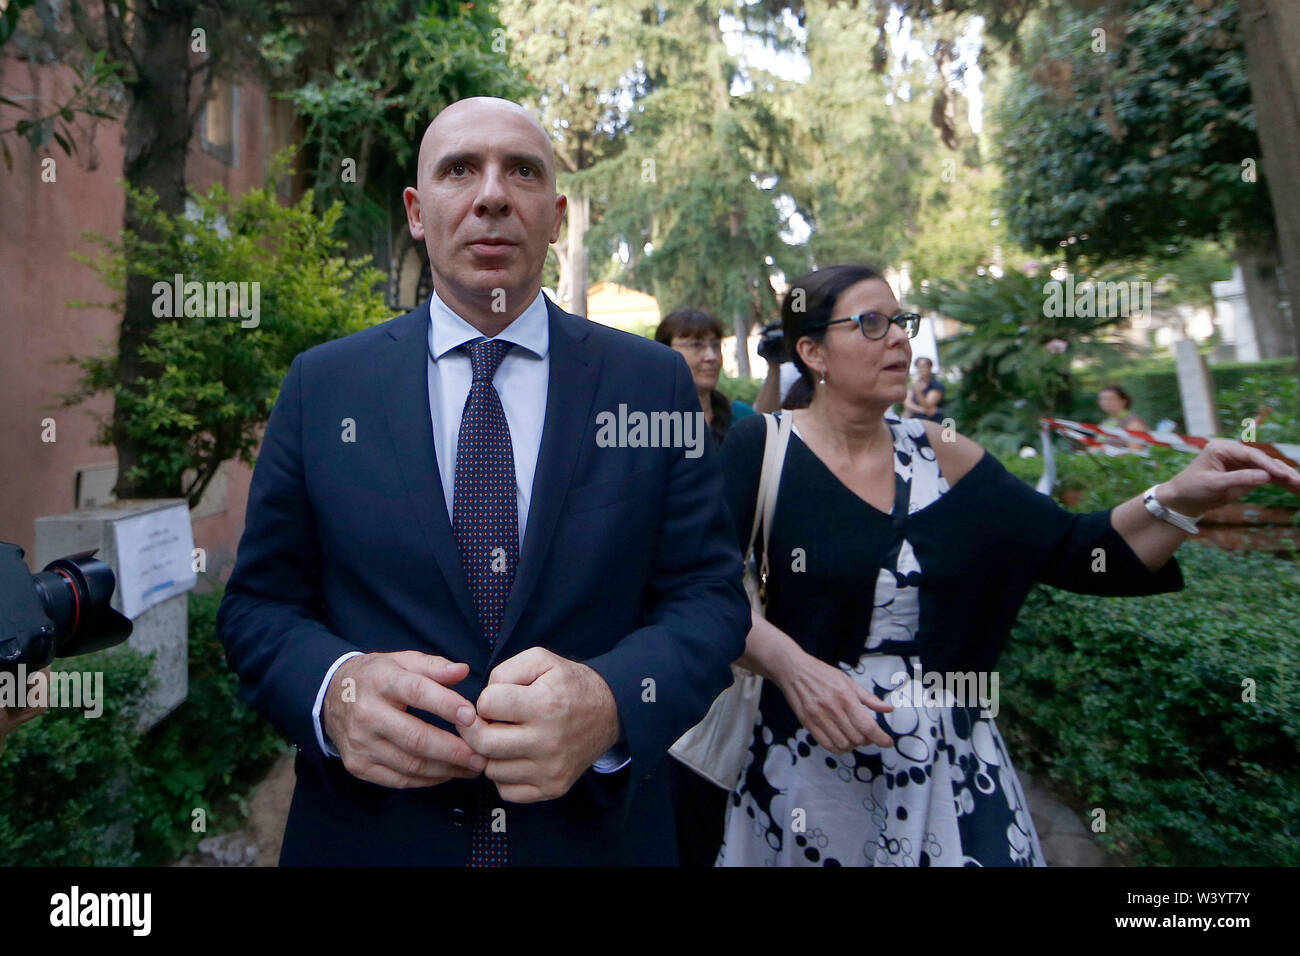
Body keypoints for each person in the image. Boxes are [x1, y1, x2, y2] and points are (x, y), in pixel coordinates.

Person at [216, 97, 750, 866]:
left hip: (596, 841)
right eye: (460, 169)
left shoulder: (650, 384)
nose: (492, 194)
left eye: (522, 171)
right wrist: (333, 690)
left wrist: (608, 704)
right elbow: (259, 604)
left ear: (556, 214)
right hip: (369, 841)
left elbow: (708, 600)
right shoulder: (324, 387)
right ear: (417, 212)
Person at [714, 264, 1300, 866]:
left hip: (954, 768)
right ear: (812, 351)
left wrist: (1180, 497)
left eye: (901, 321)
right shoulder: (763, 446)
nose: (897, 338)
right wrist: (794, 669)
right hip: (810, 768)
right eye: (870, 324)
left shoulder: (941, 449)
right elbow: (702, 589)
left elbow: (1075, 550)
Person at [654, 307, 754, 449]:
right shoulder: (646, 425)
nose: (711, 356)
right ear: (664, 353)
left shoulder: (742, 417)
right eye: (696, 345)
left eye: (715, 345)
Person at [1097, 384, 1149, 453]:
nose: (1105, 403)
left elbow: (1135, 451)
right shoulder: (1107, 421)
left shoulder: (1133, 422)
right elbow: (1098, 444)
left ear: (1123, 401)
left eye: (1111, 399)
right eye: (1103, 399)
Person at [902, 356, 945, 422]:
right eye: (918, 367)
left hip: (932, 422)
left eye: (923, 366)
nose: (921, 369)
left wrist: (919, 393)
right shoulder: (916, 384)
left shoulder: (936, 386)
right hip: (915, 421)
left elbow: (927, 405)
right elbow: (907, 403)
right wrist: (922, 410)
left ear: (930, 367)